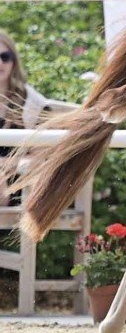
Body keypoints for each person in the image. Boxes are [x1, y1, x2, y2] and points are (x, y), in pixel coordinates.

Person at [0, 30, 62, 206]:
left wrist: (4, 166)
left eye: (5, 57)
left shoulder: (32, 103)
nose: (0, 62)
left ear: (14, 61)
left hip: (20, 183)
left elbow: (39, 157)